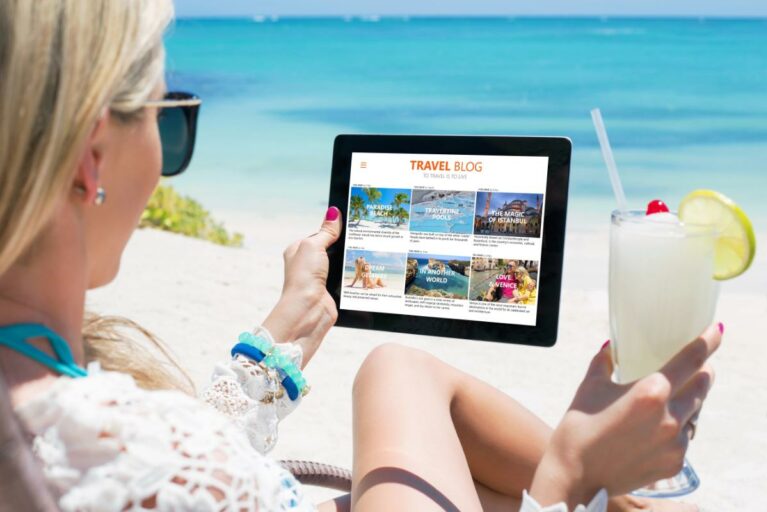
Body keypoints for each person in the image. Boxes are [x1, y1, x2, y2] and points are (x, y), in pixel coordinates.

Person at [0, 2, 717, 511]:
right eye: (171, 123)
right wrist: (569, 476)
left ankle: (625, 497)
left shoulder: (43, 418)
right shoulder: (129, 445)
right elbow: (174, 463)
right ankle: (617, 492)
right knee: (476, 453)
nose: (166, 161)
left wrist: (280, 336)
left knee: (395, 366)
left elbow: (177, 470)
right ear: (92, 158)